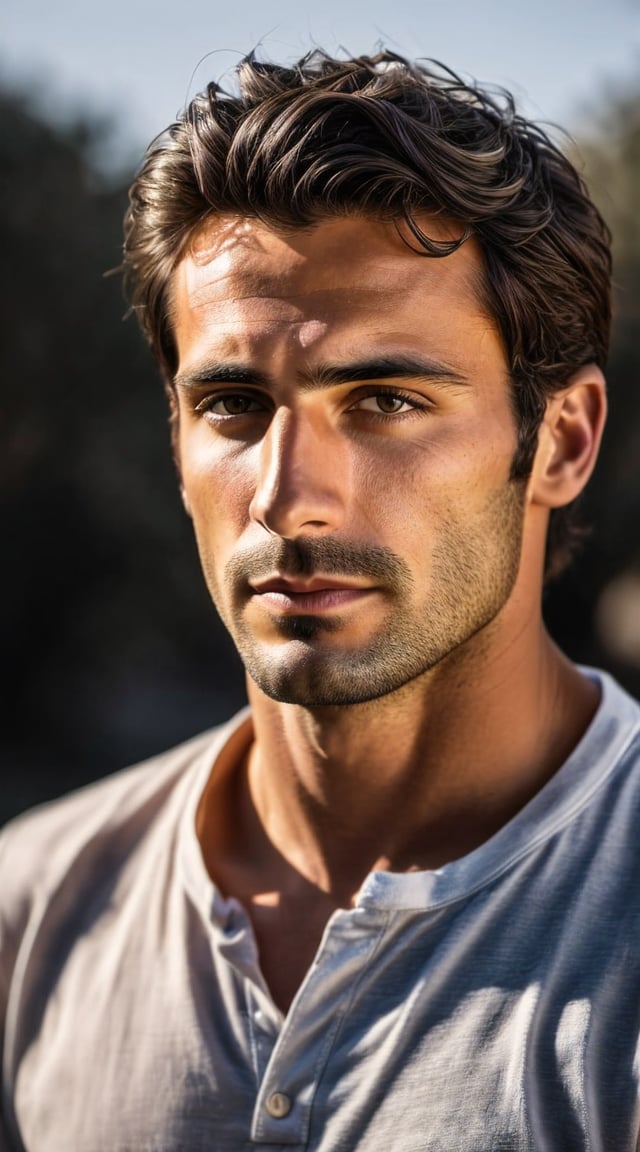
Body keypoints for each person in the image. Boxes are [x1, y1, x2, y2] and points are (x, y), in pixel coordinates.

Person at [1, 47, 638, 1151]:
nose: (287, 496)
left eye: (385, 400)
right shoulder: (32, 908)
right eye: (234, 404)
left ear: (562, 443)